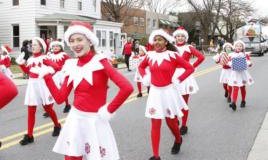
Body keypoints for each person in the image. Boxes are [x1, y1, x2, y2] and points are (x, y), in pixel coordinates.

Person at [37, 21, 133, 160]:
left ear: (90, 41)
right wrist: (47, 77)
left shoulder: (101, 62)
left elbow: (127, 88)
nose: (75, 44)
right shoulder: (71, 65)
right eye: (72, 41)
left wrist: (108, 110)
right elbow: (59, 98)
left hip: (95, 122)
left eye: (79, 39)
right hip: (75, 120)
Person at [139, 29, 194, 160]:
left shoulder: (173, 55)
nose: (157, 42)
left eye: (160, 39)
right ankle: (156, 155)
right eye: (155, 39)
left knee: (171, 123)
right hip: (155, 93)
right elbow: (141, 67)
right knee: (155, 123)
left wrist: (178, 79)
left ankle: (178, 139)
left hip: (169, 92)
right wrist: (145, 77)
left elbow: (190, 68)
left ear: (165, 42)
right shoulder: (149, 55)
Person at [15, 37, 62, 146]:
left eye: (35, 44)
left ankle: (57, 125)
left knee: (48, 108)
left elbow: (56, 67)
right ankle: (30, 135)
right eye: (32, 44)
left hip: (42, 84)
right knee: (31, 109)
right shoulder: (31, 59)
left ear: (41, 47)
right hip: (32, 85)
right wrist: (21, 64)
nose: (32, 46)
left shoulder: (44, 58)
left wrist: (47, 71)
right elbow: (28, 71)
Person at [172, 26, 205, 135]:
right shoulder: (170, 48)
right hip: (172, 76)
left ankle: (184, 125)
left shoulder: (188, 48)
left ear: (185, 38)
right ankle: (175, 118)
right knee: (173, 101)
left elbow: (201, 57)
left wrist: (192, 66)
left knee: (184, 102)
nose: (180, 38)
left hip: (185, 76)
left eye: (182, 36)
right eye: (178, 36)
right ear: (175, 37)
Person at [227, 40, 254, 111]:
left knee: (242, 87)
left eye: (240, 46)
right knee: (235, 87)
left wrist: (247, 63)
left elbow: (250, 64)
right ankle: (234, 103)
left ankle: (243, 100)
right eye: (237, 46)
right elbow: (228, 63)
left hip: (242, 73)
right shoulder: (231, 54)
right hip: (235, 73)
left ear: (242, 47)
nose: (238, 47)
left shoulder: (245, 55)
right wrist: (231, 64)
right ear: (234, 47)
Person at [47, 40, 71, 113]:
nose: (55, 47)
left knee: (63, 91)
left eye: (57, 46)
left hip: (61, 74)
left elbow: (70, 62)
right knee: (52, 91)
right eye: (53, 46)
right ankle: (50, 109)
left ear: (60, 47)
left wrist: (63, 68)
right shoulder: (49, 56)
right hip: (53, 75)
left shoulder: (64, 55)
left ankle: (67, 105)